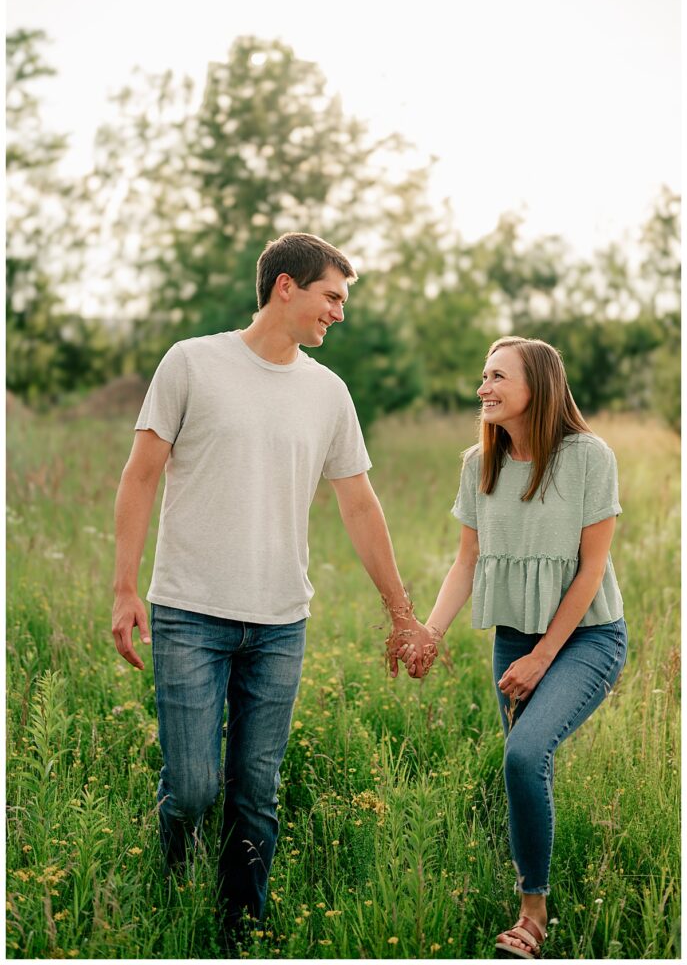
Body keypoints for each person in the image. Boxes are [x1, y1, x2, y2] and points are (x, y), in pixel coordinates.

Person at [111, 232, 434, 949]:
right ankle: (168, 896)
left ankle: (240, 931)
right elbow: (139, 475)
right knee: (193, 790)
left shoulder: (327, 393)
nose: (339, 313)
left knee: (256, 796)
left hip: (281, 622)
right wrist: (124, 587)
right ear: (285, 286)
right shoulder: (192, 362)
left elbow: (359, 505)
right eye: (332, 296)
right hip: (190, 611)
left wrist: (402, 613)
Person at [399, 336, 627, 960]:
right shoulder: (479, 463)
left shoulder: (588, 457)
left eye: (498, 376)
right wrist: (429, 632)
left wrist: (542, 657)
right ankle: (534, 889)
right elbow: (465, 562)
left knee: (525, 755)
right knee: (528, 764)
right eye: (483, 376)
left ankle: (533, 915)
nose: (484, 388)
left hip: (586, 637)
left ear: (539, 386)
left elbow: (590, 571)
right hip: (514, 638)